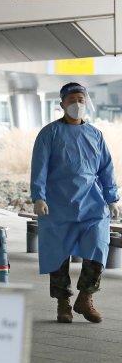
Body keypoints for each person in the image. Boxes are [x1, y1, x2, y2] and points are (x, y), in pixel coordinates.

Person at [31, 82, 120, 324]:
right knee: (58, 256)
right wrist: (38, 197)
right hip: (57, 205)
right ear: (62, 104)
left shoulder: (95, 134)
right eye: (72, 100)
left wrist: (112, 198)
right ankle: (63, 304)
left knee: (98, 247)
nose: (77, 104)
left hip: (91, 204)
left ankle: (85, 297)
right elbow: (39, 167)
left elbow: (106, 168)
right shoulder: (49, 134)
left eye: (81, 99)